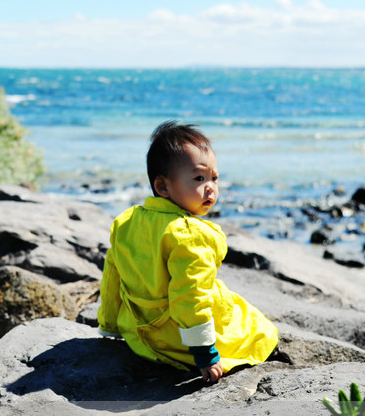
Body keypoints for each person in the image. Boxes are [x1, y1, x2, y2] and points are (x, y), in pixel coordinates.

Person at [97, 120, 279, 383]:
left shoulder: (127, 221)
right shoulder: (189, 234)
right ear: (163, 187)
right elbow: (190, 296)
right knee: (255, 327)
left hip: (139, 332)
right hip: (177, 341)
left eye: (215, 178)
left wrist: (110, 325)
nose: (211, 188)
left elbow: (113, 277)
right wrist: (205, 354)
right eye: (199, 178)